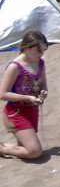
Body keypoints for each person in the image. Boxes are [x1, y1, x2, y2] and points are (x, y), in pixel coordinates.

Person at [1, 31, 49, 160]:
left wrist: (43, 93)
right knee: (35, 151)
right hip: (15, 112)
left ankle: (5, 147)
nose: (41, 54)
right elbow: (3, 94)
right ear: (27, 48)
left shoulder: (40, 63)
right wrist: (27, 98)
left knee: (25, 148)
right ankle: (2, 148)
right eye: (38, 50)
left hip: (32, 110)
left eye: (43, 50)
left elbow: (43, 84)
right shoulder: (15, 67)